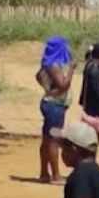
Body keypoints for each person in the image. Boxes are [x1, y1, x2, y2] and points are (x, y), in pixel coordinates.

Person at [37, 36, 76, 184]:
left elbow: (38, 76)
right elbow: (63, 85)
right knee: (54, 139)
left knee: (47, 139)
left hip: (51, 104)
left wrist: (47, 89)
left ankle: (44, 172)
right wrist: (71, 69)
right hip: (55, 106)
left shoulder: (47, 63)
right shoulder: (53, 65)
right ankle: (55, 175)